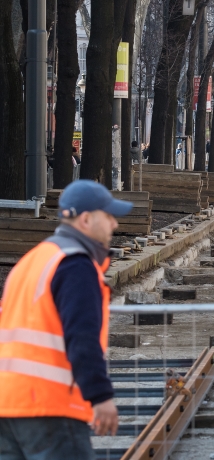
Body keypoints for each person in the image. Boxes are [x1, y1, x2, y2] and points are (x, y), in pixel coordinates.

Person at [0, 180, 133, 457]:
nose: (114, 225)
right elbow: (81, 337)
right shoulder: (75, 266)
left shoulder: (31, 261)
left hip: (7, 404)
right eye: (108, 216)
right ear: (86, 219)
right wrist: (100, 396)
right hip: (49, 406)